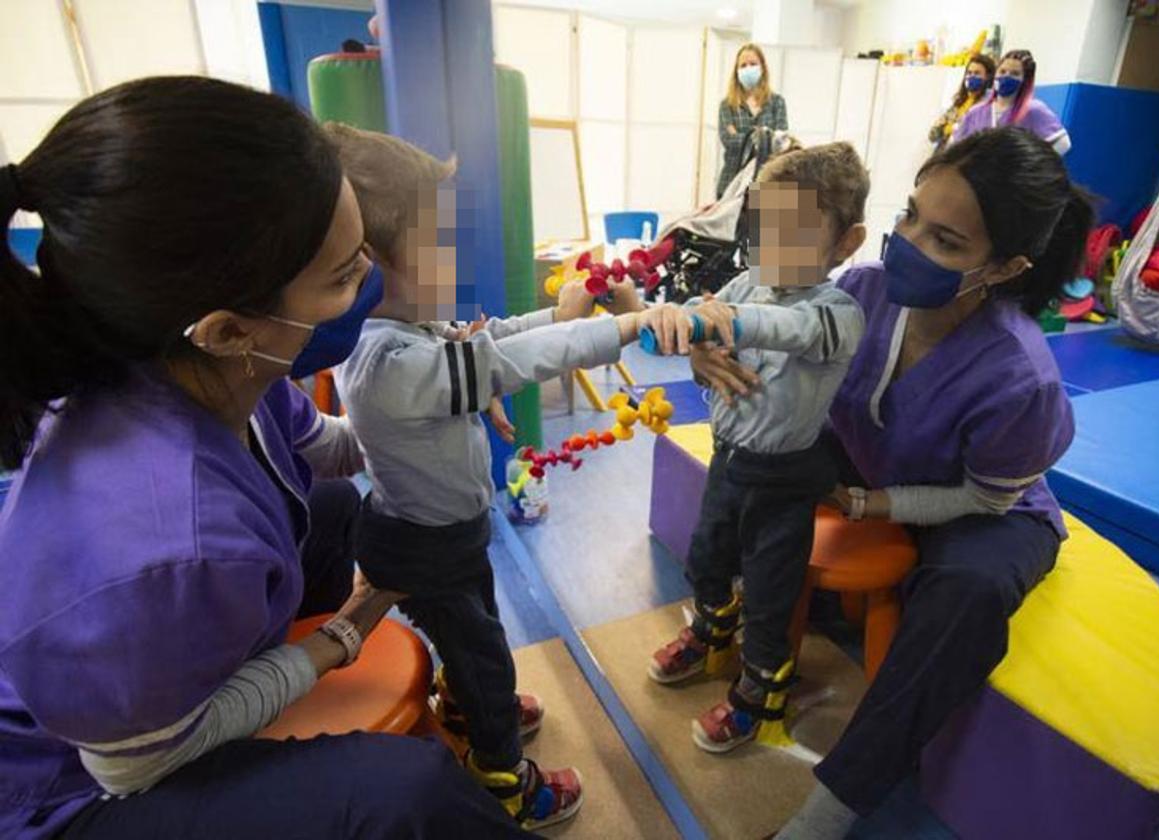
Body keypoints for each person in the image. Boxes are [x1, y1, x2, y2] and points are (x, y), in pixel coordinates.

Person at [0, 76, 533, 840]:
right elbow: (133, 767)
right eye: (348, 276)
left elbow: (345, 450)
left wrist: (442, 402)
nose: (372, 290)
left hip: (154, 659)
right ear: (226, 329)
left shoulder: (228, 376)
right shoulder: (164, 542)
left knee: (337, 509)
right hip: (84, 788)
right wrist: (343, 635)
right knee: (406, 797)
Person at [689, 127, 1090, 839]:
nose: (907, 242)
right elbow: (771, 351)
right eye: (910, 215)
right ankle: (720, 609)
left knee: (966, 597)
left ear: (1005, 266)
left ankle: (832, 808)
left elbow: (985, 496)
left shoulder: (1018, 375)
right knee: (755, 449)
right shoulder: (864, 292)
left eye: (945, 240)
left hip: (983, 511)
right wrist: (705, 350)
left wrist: (873, 504)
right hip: (870, 462)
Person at [323, 125, 683, 831]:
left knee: (475, 629)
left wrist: (559, 313)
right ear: (365, 268)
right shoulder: (389, 363)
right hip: (425, 545)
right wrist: (626, 329)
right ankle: (501, 778)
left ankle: (463, 700)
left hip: (452, 535)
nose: (453, 260)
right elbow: (503, 365)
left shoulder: (415, 326)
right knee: (488, 656)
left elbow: (489, 340)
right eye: (437, 245)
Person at [646, 144, 869, 755]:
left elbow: (784, 330)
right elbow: (702, 320)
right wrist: (695, 346)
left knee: (771, 595)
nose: (773, 242)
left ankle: (760, 694)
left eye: (795, 230)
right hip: (728, 460)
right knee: (707, 556)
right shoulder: (749, 280)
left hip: (785, 478)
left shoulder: (838, 313)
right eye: (765, 225)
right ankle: (712, 632)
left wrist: (722, 323)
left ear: (846, 243)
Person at [953, 49, 1071, 155]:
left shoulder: (1033, 110)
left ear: (1025, 80)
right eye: (1002, 71)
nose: (1006, 76)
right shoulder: (976, 112)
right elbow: (956, 147)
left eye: (1015, 73)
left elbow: (1063, 143)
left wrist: (1032, 169)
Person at [716, 43, 789, 198]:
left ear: (762, 68)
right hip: (731, 182)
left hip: (766, 183)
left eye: (753, 64)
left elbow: (781, 144)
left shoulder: (777, 103)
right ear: (736, 71)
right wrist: (763, 138)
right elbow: (729, 141)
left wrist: (742, 136)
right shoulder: (727, 105)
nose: (748, 68)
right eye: (743, 65)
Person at [928, 54, 996, 153]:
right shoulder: (960, 102)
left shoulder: (988, 104)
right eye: (969, 73)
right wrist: (945, 130)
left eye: (977, 73)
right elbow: (933, 134)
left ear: (988, 77)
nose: (971, 76)